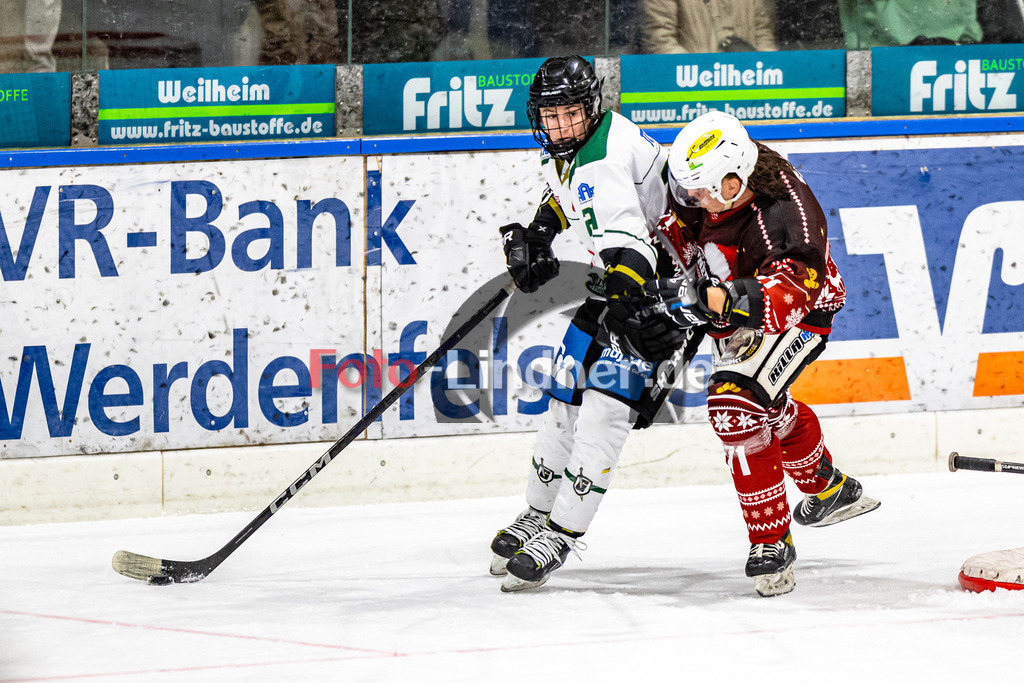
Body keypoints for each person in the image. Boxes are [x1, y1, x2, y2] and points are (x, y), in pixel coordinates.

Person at [622, 110, 879, 597]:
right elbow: (677, 228)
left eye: (701, 192)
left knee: (734, 404)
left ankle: (771, 542)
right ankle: (828, 486)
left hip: (799, 313)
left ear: (734, 181)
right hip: (732, 303)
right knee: (765, 406)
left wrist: (707, 302)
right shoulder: (717, 176)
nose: (693, 200)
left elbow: (787, 298)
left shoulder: (787, 217)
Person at [489, 55, 702, 592]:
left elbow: (634, 246)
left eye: (570, 114)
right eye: (551, 116)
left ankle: (561, 533)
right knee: (565, 396)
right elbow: (568, 197)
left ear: (591, 108)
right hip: (620, 284)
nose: (560, 126)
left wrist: (634, 305)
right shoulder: (578, 148)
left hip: (665, 293)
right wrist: (540, 232)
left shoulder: (602, 158)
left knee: (605, 410)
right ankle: (538, 513)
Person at [644, 0, 776, 54]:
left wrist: (764, 71)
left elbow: (762, 33)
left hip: (747, 86)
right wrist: (707, 76)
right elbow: (661, 42)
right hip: (695, 91)